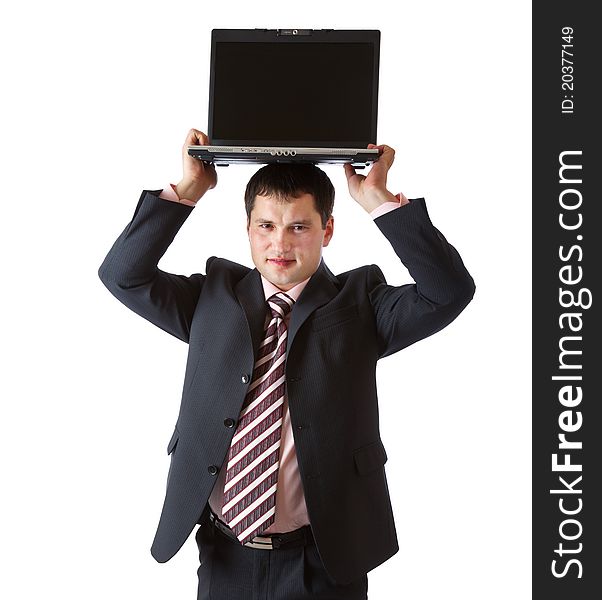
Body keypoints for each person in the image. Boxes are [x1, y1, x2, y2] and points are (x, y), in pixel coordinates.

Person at [98, 128, 475, 599]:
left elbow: (449, 291)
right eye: (266, 226)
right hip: (224, 554)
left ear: (327, 230)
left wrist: (379, 199)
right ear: (248, 229)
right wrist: (188, 190)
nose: (280, 244)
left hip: (322, 561)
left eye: (299, 226)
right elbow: (122, 275)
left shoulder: (360, 305)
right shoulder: (211, 297)